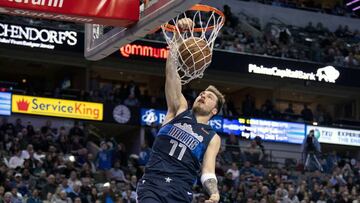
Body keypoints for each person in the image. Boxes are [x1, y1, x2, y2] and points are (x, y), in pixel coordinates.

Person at [137, 18, 225, 203]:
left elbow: (208, 171)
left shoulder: (212, 137)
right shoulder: (179, 109)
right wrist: (177, 37)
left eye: (209, 97)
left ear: (214, 111)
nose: (203, 96)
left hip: (180, 192)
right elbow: (171, 72)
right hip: (152, 186)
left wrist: (214, 192)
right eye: (202, 93)